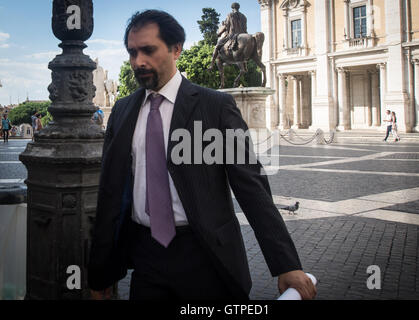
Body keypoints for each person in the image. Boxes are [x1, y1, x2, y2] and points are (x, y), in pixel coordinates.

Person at [88, 9, 316, 301]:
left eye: (148, 50)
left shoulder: (215, 107)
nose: (138, 61)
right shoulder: (122, 110)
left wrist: (287, 264)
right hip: (146, 257)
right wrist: (100, 272)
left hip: (207, 257)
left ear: (176, 49)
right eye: (132, 52)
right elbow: (110, 193)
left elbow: (252, 188)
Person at [209, 3, 247, 70]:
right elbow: (245, 27)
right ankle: (244, 64)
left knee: (217, 46)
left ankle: (211, 64)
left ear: (232, 8)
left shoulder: (230, 14)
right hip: (243, 34)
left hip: (232, 34)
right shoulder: (244, 16)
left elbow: (227, 26)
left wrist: (219, 33)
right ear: (238, 7)